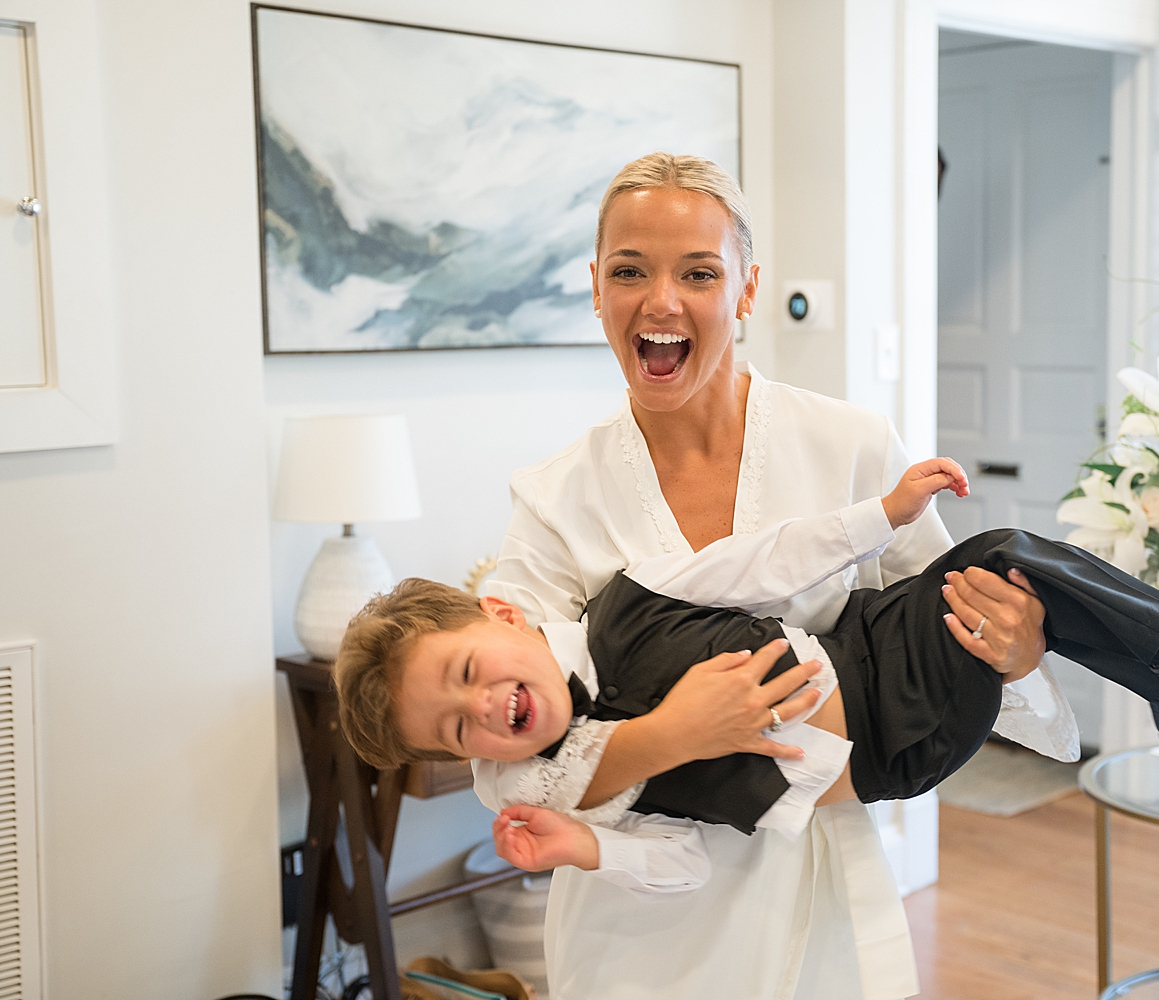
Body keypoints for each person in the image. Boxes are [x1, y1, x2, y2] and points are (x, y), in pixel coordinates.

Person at [433, 152, 1053, 1000]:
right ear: (595, 287)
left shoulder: (851, 446)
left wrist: (1017, 647)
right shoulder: (552, 500)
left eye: (698, 272)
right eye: (629, 271)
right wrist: (674, 733)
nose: (661, 301)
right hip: (636, 929)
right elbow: (504, 768)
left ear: (747, 289)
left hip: (819, 892)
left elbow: (949, 622)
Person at [336, 456, 1159, 891]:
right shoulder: (583, 785)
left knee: (997, 567)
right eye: (458, 727)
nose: (484, 707)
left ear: (502, 612)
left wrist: (880, 514)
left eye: (468, 672)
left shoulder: (628, 598)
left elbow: (762, 560)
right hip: (892, 735)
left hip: (868, 638)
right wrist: (586, 853)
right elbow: (685, 861)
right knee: (1003, 554)